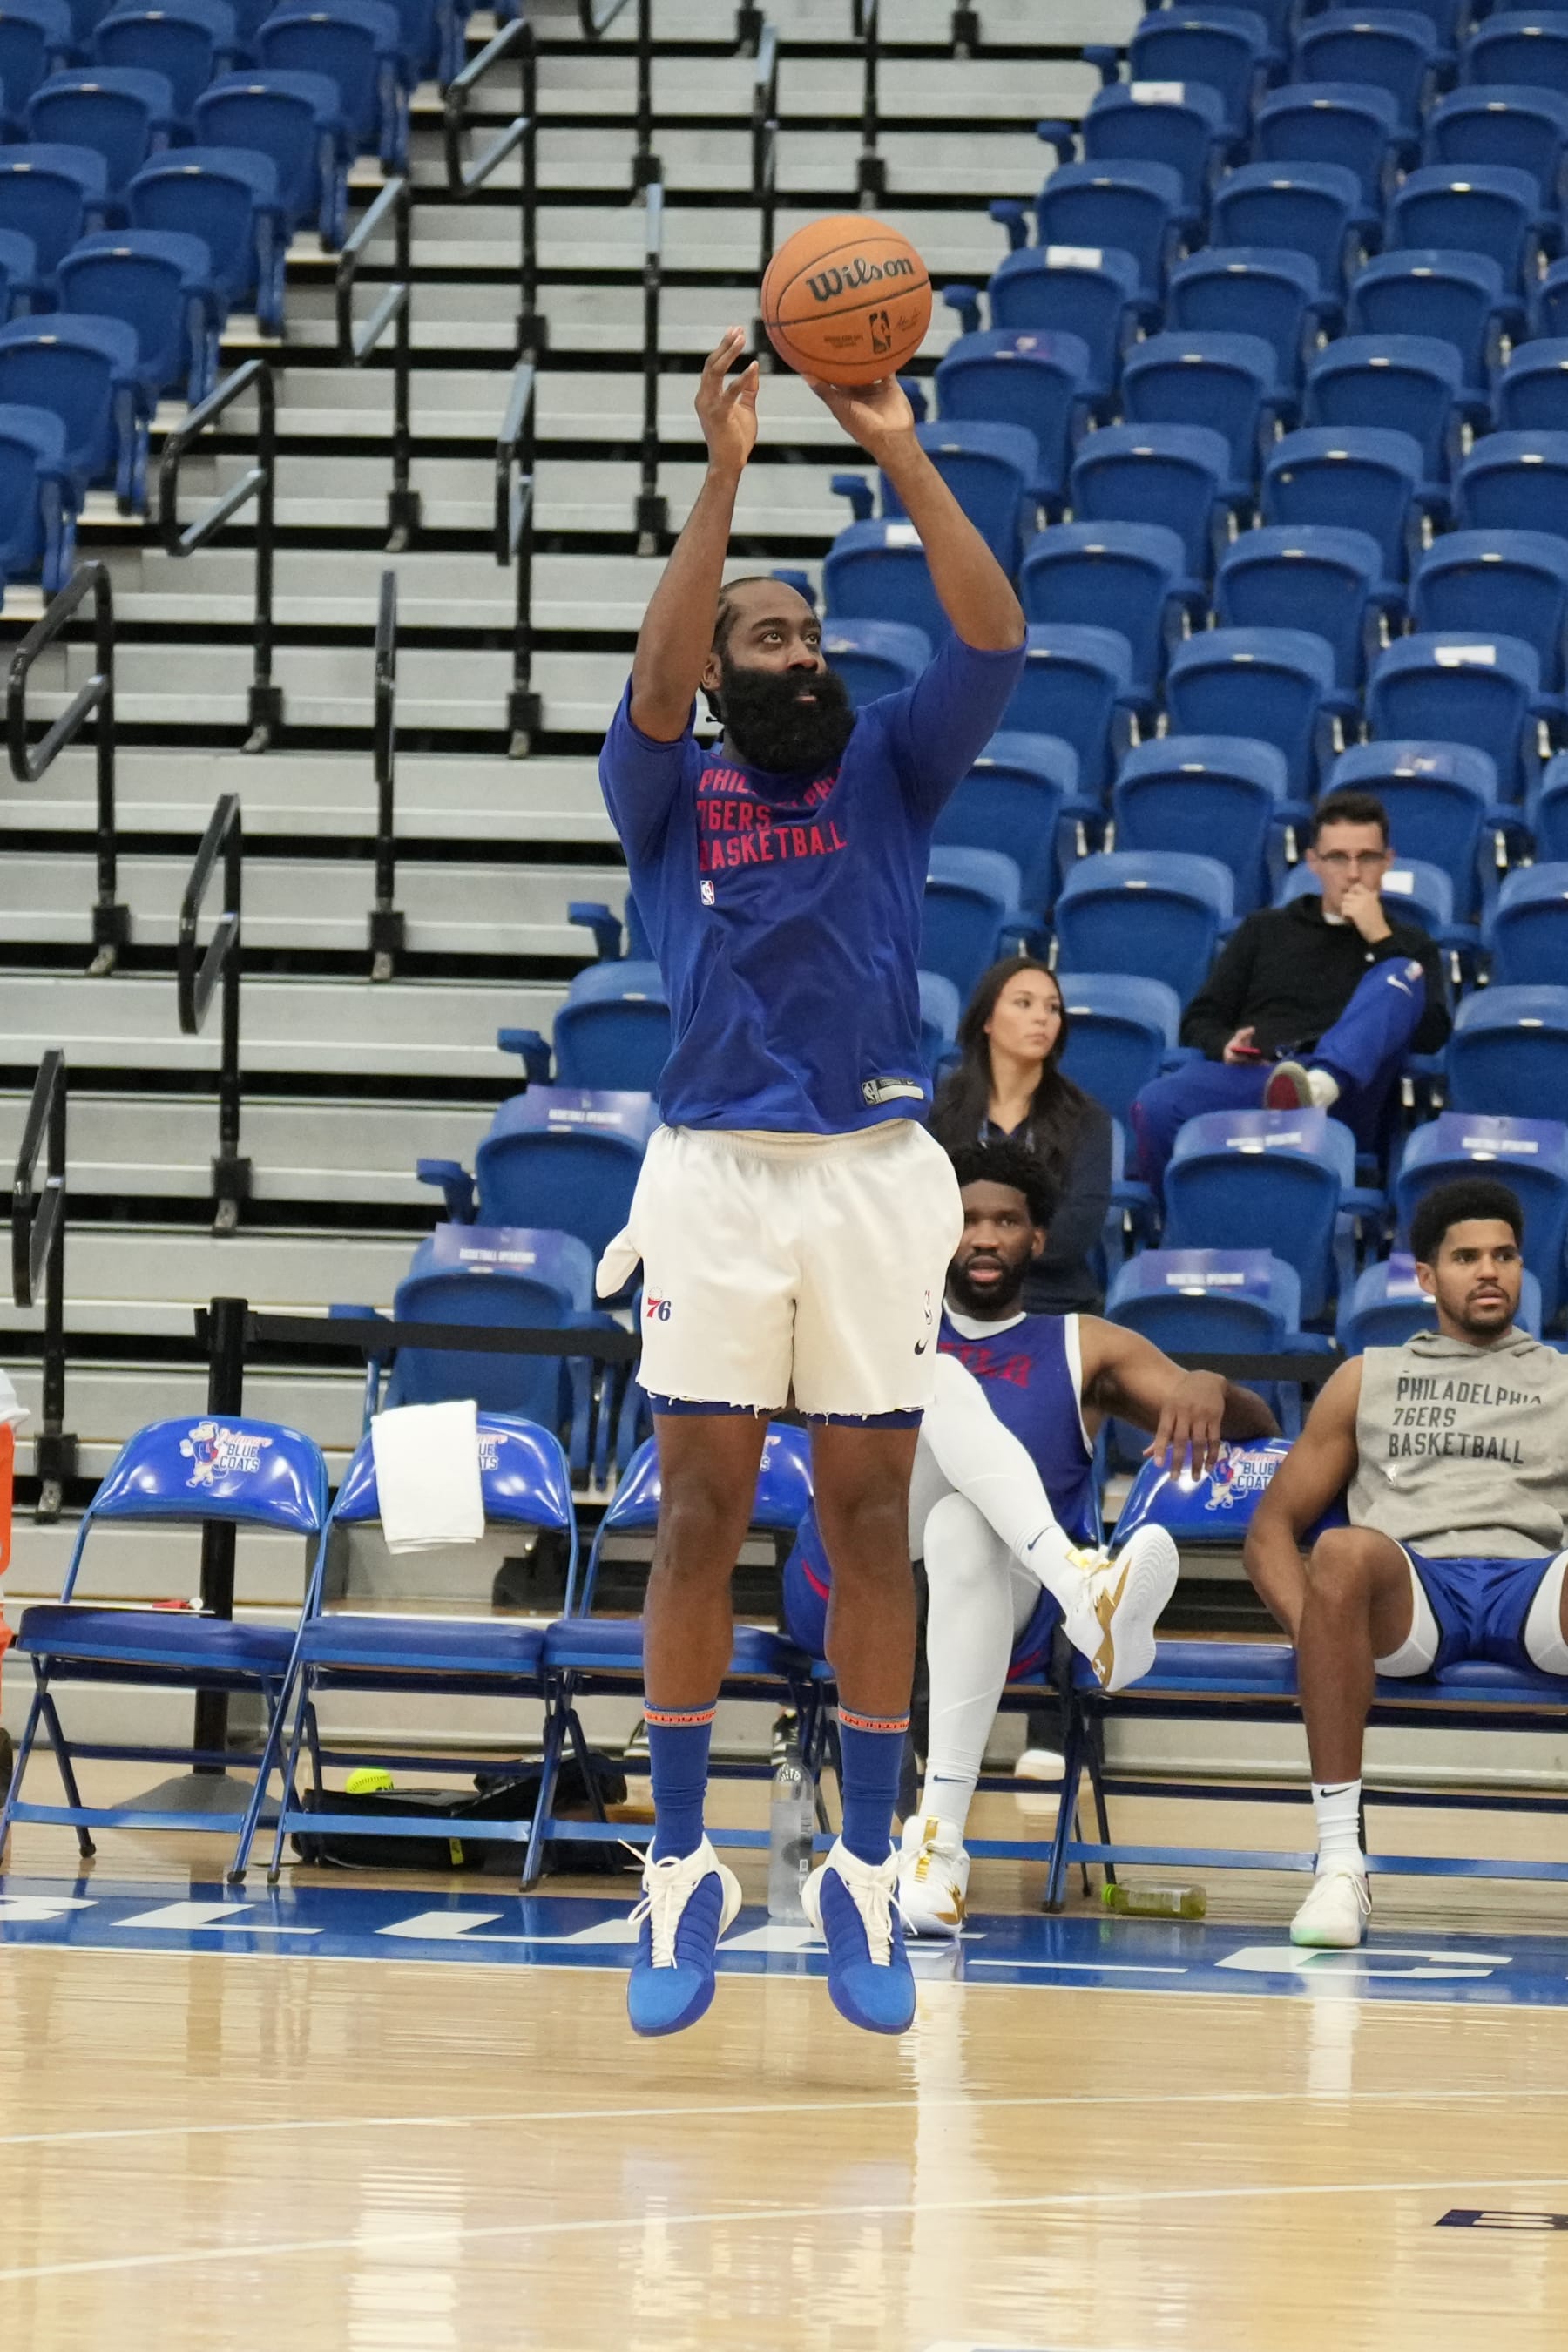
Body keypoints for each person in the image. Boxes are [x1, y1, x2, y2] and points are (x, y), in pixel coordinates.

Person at [597, 328, 1027, 2038]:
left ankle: (860, 1871)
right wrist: (725, 471)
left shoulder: (886, 765)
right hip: (713, 1175)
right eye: (765, 634)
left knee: (868, 1527)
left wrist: (896, 445)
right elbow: (648, 677)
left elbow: (992, 630)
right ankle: (682, 1873)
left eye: (811, 629)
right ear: (714, 667)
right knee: (700, 1509)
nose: (802, 648)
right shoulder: (662, 784)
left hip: (870, 1178)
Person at [781, 1139, 1280, 1932]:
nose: (984, 1236)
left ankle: (937, 1855)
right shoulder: (878, 1322)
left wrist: (1208, 1384)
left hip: (993, 1599)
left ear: (1036, 1239)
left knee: (963, 1525)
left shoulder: (1083, 1344)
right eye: (968, 1218)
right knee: (938, 1377)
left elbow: (1259, 1430)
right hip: (847, 1576)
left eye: (1006, 1220)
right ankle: (1084, 1583)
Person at [1244, 1178, 1568, 1951]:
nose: (1489, 1271)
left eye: (1505, 1255)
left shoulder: (1561, 1379)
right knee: (1341, 1548)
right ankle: (1340, 1865)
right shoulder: (1369, 1376)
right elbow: (1270, 1533)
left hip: (1533, 1584)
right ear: (1426, 1277)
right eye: (1466, 1257)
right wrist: (1323, 1634)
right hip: (1414, 1593)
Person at [1131, 792, 1450, 1197]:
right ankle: (1176, 1225)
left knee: (1402, 973)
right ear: (1314, 862)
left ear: (1387, 861)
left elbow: (1430, 1034)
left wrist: (1379, 938)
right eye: (1337, 858)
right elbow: (1200, 1020)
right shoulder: (1265, 930)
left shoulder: (1407, 944)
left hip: (1350, 1093)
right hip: (1261, 1076)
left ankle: (1317, 1087)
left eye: (1366, 858)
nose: (1353, 873)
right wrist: (1225, 1044)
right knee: (1156, 1103)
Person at [929, 957, 1113, 1313]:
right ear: (987, 1020)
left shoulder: (1087, 1118)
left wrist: (982, 1247)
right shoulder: (942, 1113)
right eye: (1024, 1003)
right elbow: (924, 1214)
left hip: (1053, 1302)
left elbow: (1077, 1229)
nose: (1042, 1017)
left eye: (1053, 1008)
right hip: (953, 1300)